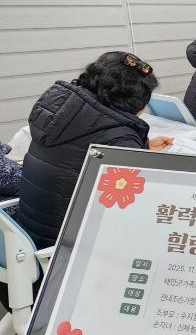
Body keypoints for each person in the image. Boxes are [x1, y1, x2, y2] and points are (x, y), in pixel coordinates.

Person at [16, 52, 172, 249]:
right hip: (68, 248)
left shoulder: (64, 112)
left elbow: (75, 155)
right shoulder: (117, 139)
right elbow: (144, 202)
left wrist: (142, 148)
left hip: (30, 235)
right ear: (135, 100)